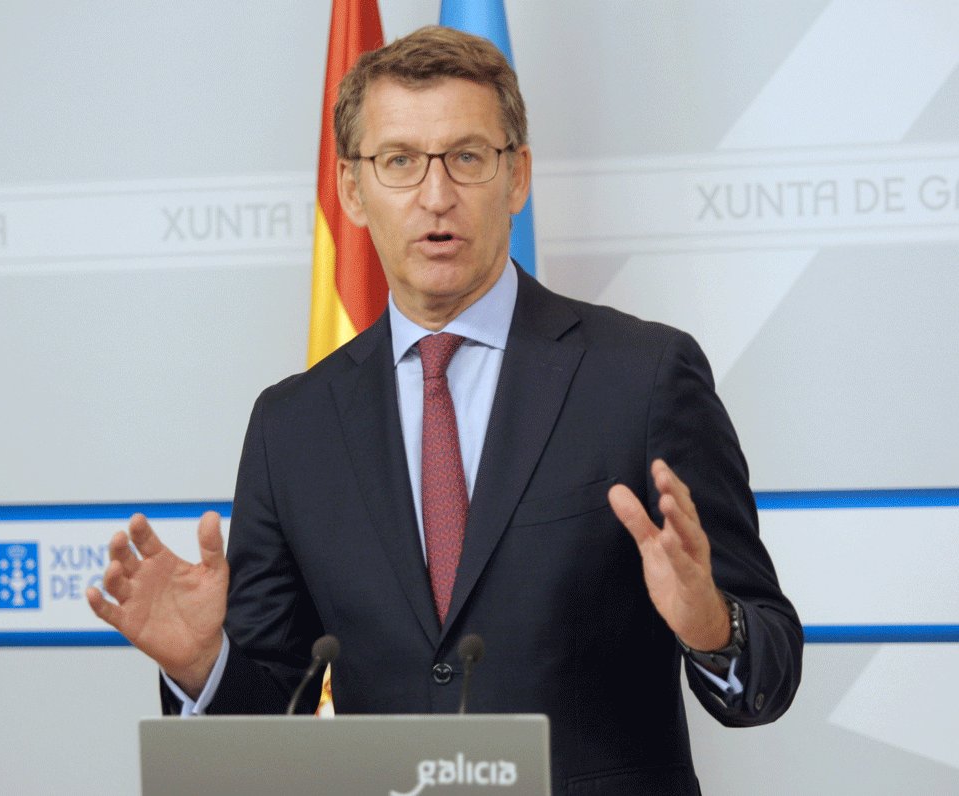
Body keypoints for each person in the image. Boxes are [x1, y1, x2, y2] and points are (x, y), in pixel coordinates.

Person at [87, 26, 802, 796]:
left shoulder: (644, 376)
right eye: (400, 161)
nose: (436, 196)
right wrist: (203, 665)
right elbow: (275, 729)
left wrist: (710, 626)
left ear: (517, 177)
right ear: (354, 190)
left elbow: (769, 669)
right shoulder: (292, 425)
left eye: (468, 157)